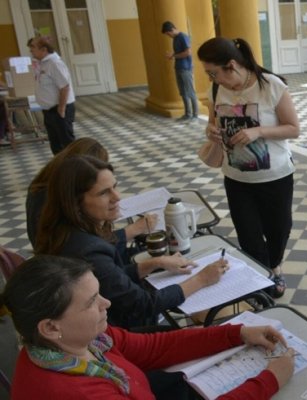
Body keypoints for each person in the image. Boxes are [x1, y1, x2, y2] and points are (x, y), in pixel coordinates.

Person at [1, 255, 295, 400]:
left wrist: (237, 333)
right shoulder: (77, 393)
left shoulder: (81, 341)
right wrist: (269, 380)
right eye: (91, 302)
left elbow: (155, 347)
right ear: (51, 327)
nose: (107, 304)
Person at [34, 155, 228, 329]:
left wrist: (153, 264)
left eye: (115, 187)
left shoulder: (66, 231)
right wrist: (201, 279)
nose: (117, 197)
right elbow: (141, 304)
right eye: (103, 193)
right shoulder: (88, 249)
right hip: (123, 332)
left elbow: (109, 282)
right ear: (75, 203)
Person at [197, 37, 300, 298]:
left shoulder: (271, 86)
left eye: (214, 72)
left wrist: (259, 132)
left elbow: (293, 128)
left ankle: (274, 265)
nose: (212, 78)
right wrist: (211, 132)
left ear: (231, 65)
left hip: (275, 176)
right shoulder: (215, 90)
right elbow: (212, 123)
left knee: (278, 230)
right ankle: (263, 278)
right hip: (236, 178)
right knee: (248, 236)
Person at [26, 137, 157, 249]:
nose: (117, 197)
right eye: (103, 192)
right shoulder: (54, 201)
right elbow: (89, 246)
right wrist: (134, 229)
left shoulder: (43, 187)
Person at [28, 36, 76, 154]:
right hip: (48, 109)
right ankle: (59, 168)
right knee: (55, 143)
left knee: (67, 143)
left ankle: (76, 167)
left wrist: (61, 108)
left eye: (33, 48)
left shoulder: (54, 63)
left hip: (59, 109)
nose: (31, 51)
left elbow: (64, 87)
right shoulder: (41, 63)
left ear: (44, 50)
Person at [161, 21, 199, 121]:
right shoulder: (175, 38)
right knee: (183, 92)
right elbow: (178, 52)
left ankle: (195, 115)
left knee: (190, 92)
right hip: (178, 68)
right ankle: (187, 114)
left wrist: (173, 56)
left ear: (172, 29)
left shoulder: (183, 37)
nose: (169, 36)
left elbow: (188, 52)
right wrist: (172, 55)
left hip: (186, 68)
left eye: (168, 34)